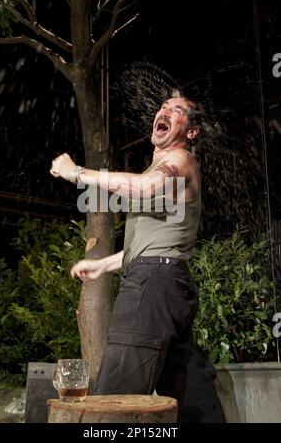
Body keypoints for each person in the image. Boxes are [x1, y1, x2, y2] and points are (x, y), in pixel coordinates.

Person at [50, 95, 226, 423]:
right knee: (190, 396)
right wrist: (104, 264)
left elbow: (143, 189)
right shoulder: (162, 169)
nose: (165, 111)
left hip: (154, 285)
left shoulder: (180, 159)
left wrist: (77, 173)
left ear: (191, 132)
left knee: (115, 402)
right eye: (164, 107)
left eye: (178, 111)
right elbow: (152, 244)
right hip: (168, 287)